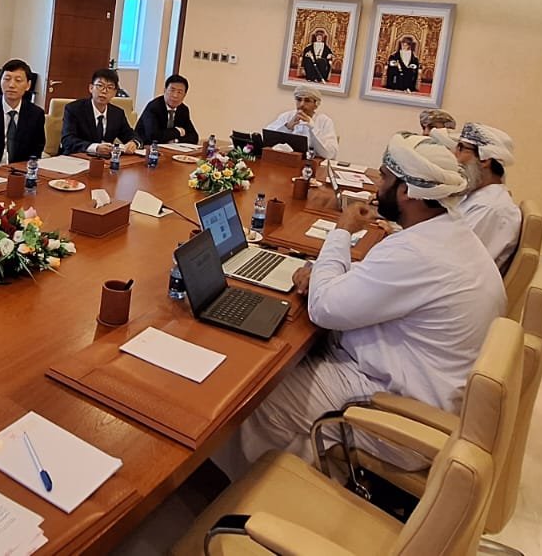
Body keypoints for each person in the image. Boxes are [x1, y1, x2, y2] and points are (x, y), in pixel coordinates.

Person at [216, 133, 503, 478]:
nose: (377, 186)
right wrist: (327, 274)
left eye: (384, 177)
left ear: (407, 191)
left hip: (398, 411)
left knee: (254, 397)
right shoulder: (448, 233)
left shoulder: (416, 252)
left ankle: (266, 486)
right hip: (424, 387)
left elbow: (323, 308)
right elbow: (384, 283)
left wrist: (342, 231)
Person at [455, 122, 523, 273]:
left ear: (485, 159)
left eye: (461, 148)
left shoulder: (491, 208)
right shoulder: (477, 196)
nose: (455, 156)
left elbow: (458, 262)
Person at [60, 68, 139, 156]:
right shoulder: (74, 109)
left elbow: (131, 135)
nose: (104, 91)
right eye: (100, 86)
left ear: (114, 93)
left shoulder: (117, 113)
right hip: (76, 157)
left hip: (105, 159)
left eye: (109, 87)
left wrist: (133, 143)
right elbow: (67, 140)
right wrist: (95, 148)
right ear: (91, 88)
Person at [264, 86, 340, 160]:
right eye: (299, 100)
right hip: (284, 160)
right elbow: (266, 140)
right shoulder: (286, 116)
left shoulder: (324, 121)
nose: (302, 104)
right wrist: (287, 127)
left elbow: (331, 154)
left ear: (316, 105)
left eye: (307, 101)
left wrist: (312, 127)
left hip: (311, 163)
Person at [134, 73, 198, 145]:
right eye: (172, 90)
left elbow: (194, 137)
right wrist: (178, 131)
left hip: (169, 147)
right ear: (165, 90)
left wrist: (175, 140)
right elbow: (153, 136)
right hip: (145, 146)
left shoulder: (183, 109)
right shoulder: (154, 107)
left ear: (184, 95)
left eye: (179, 92)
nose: (175, 95)